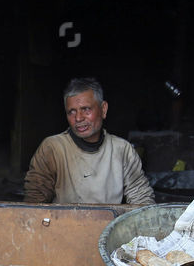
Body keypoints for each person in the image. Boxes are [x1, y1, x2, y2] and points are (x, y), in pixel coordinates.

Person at [23, 77, 155, 205]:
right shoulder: (53, 148)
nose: (78, 118)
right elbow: (34, 203)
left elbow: (142, 200)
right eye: (72, 112)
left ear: (103, 109)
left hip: (108, 226)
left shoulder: (122, 149)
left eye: (86, 109)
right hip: (64, 226)